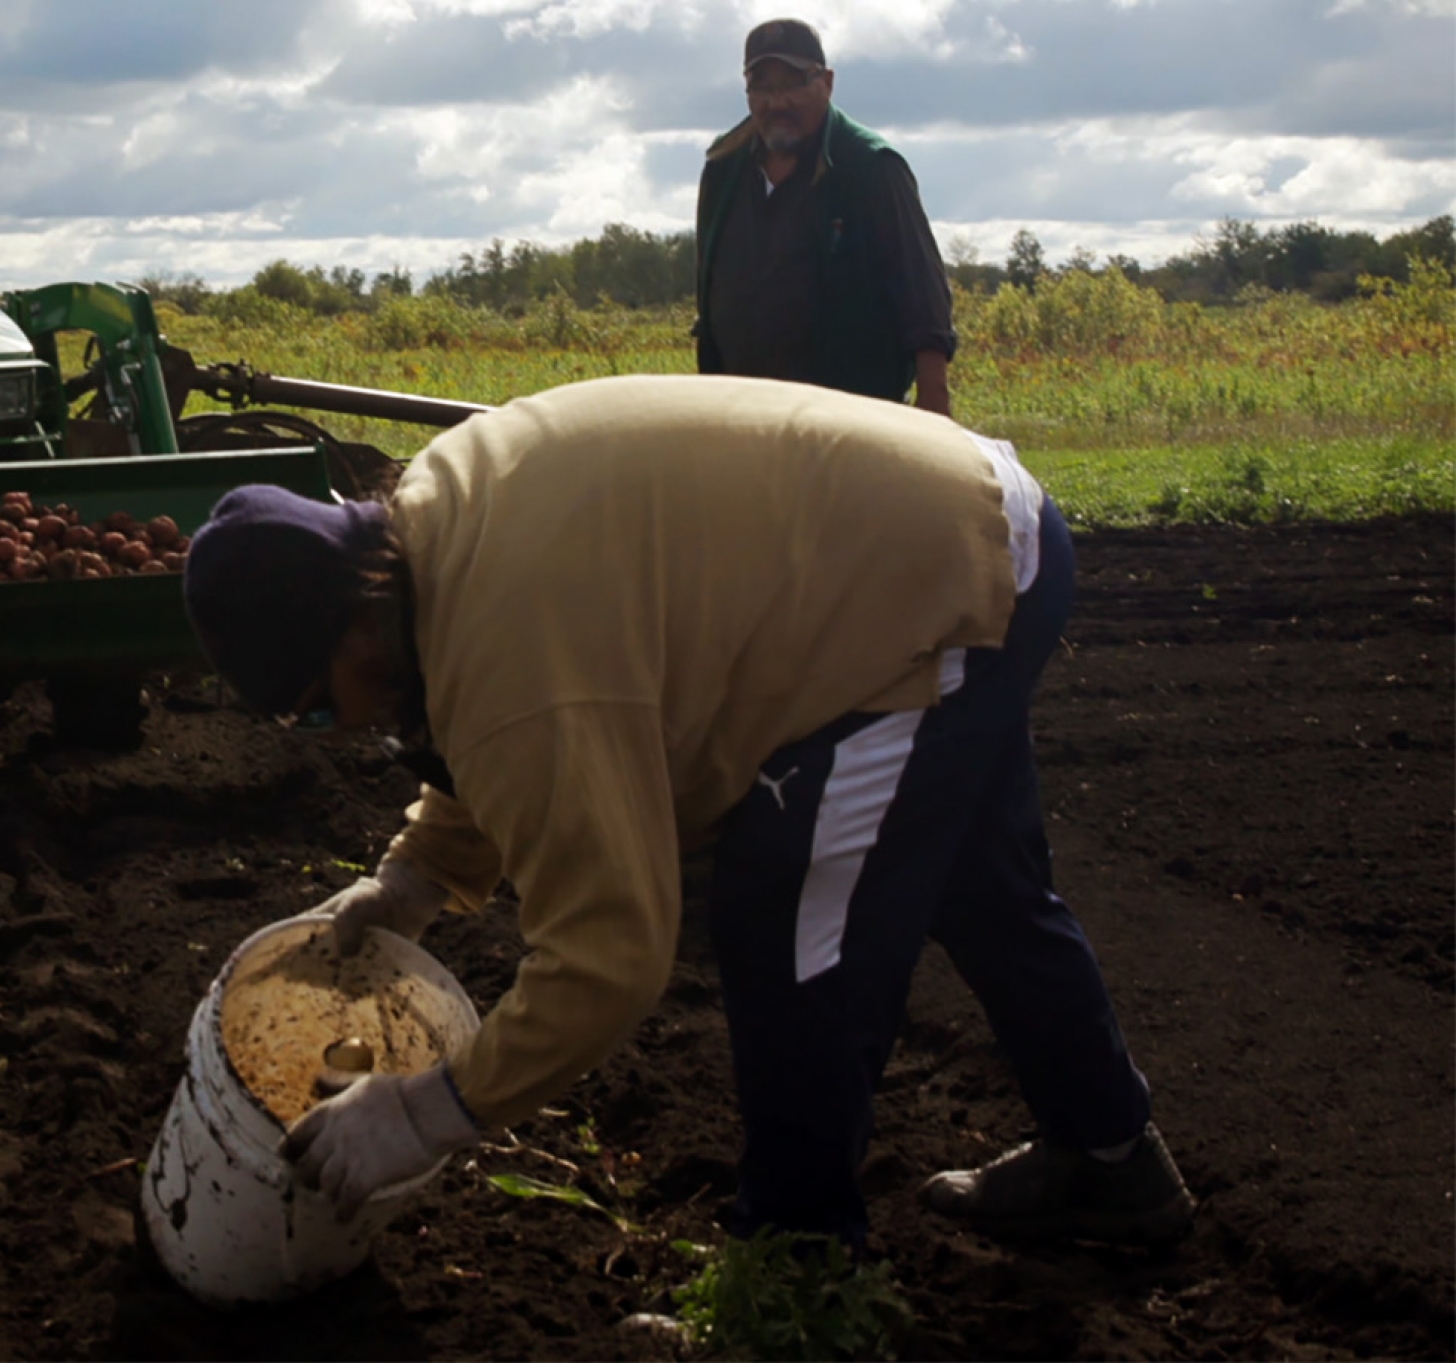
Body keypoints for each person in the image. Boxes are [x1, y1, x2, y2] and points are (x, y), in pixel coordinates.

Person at [180, 376, 1194, 1251]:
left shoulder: (507, 655)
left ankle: (793, 1268)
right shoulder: (439, 520)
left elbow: (608, 955)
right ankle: (1110, 1157)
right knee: (984, 889)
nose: (334, 730)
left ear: (356, 621)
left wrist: (425, 1111)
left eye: (317, 708)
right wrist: (417, 876)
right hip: (960, 519)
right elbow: (486, 709)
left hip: (927, 578)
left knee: (786, 916)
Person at [695, 20, 957, 416]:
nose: (776, 102)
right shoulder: (723, 167)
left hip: (852, 419)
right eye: (762, 86)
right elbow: (711, 292)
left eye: (792, 84)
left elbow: (921, 293)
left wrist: (934, 399)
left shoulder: (870, 166)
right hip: (742, 413)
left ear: (827, 83)